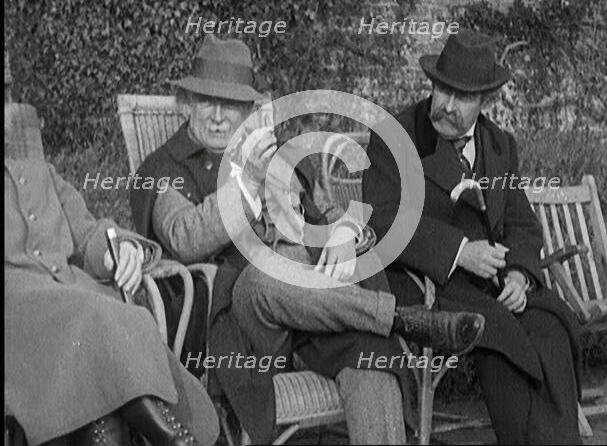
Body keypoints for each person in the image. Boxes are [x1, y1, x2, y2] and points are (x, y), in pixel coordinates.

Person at [130, 34, 485, 444]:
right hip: (247, 324)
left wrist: (340, 234)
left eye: (231, 105)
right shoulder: (165, 169)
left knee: (371, 357)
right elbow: (183, 237)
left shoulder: (275, 156)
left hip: (320, 313)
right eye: (207, 101)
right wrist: (246, 183)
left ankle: (386, 323)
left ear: (248, 111)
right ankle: (403, 319)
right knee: (266, 275)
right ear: (186, 103)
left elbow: (325, 211)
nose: (218, 117)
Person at [362, 29, 582, 444]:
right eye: (442, 89)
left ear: (485, 100)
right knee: (499, 336)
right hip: (426, 284)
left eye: (462, 97)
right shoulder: (397, 136)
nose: (446, 106)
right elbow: (382, 218)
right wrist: (460, 251)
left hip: (493, 285)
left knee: (552, 329)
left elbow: (521, 222)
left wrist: (519, 274)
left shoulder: (499, 145)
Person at [4, 102, 219, 446]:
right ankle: (173, 435)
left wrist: (117, 251)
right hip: (19, 318)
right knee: (96, 317)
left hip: (75, 311)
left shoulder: (41, 172)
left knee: (102, 397)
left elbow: (88, 232)